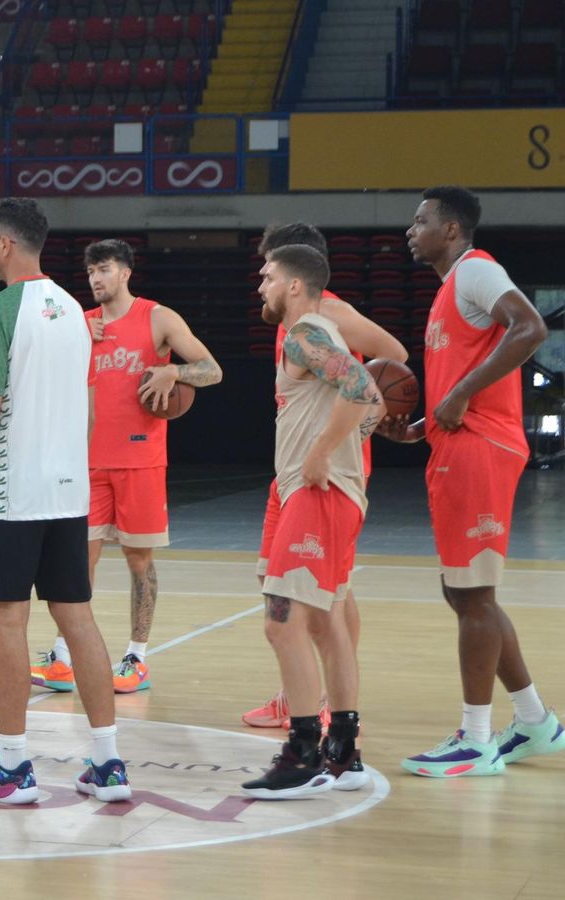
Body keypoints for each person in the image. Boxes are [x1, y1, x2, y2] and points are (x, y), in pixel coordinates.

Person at [0, 198, 132, 805]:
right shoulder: (75, 309)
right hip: (68, 494)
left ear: (6, 245)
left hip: (12, 495)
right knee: (77, 618)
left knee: (7, 621)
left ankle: (14, 767)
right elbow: (89, 406)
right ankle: (108, 763)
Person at [384, 186, 563, 776]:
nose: (411, 230)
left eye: (421, 221)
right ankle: (535, 721)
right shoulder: (448, 290)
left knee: (475, 595)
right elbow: (462, 375)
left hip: (482, 446)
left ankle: (476, 740)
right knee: (463, 592)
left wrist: (458, 396)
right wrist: (424, 423)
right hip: (457, 443)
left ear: (453, 230)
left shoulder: (476, 272)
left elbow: (530, 327)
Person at [31, 238, 221, 695]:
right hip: (86, 461)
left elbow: (212, 369)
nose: (96, 278)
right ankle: (63, 656)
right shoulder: (78, 321)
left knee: (139, 560)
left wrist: (174, 371)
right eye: (91, 271)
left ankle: (136, 656)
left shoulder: (157, 318)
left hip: (140, 460)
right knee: (79, 559)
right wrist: (75, 338)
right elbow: (40, 368)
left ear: (125, 272)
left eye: (105, 269)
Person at [243, 222, 408, 730]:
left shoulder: (325, 315)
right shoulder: (293, 324)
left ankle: (315, 718)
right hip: (294, 473)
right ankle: (314, 706)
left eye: (267, 269)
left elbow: (390, 363)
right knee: (316, 600)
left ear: (294, 273)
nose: (260, 280)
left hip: (325, 473)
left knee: (319, 603)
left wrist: (336, 442)